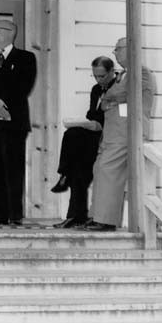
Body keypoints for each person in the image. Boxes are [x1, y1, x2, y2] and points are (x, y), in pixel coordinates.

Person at [85, 37, 155, 231]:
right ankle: (97, 215)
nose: (115, 53)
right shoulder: (123, 75)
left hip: (125, 132)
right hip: (112, 133)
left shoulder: (141, 72)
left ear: (129, 49)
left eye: (118, 49)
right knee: (100, 169)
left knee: (108, 170)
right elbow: (111, 96)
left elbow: (116, 94)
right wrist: (111, 99)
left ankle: (106, 220)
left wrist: (110, 98)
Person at [0, 19, 37, 226]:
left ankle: (15, 215)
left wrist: (2, 101)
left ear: (10, 33)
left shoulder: (26, 58)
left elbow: (23, 85)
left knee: (13, 168)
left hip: (14, 122)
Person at [52, 56, 116, 229]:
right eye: (95, 76)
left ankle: (63, 175)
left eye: (102, 76)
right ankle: (75, 214)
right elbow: (91, 113)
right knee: (77, 160)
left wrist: (98, 124)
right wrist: (89, 123)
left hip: (109, 137)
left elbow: (116, 117)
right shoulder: (96, 89)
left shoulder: (118, 88)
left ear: (111, 72)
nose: (98, 80)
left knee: (74, 140)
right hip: (93, 137)